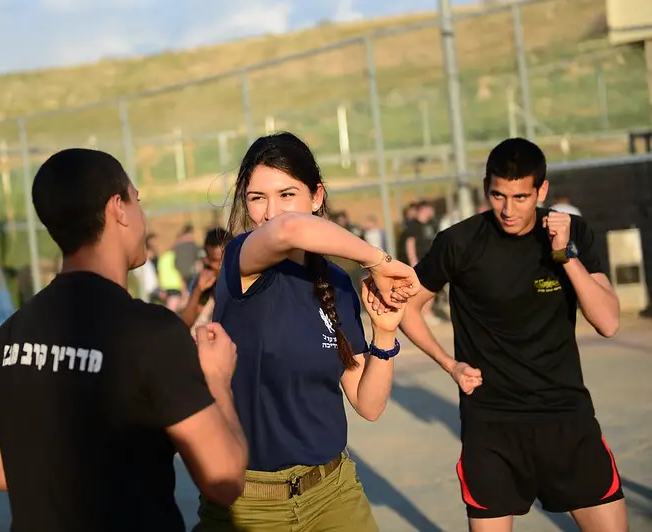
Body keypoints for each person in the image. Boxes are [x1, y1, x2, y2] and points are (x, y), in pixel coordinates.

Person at [0, 148, 248, 532]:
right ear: (117, 208)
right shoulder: (151, 332)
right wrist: (218, 378)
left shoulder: (9, 336)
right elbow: (225, 478)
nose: (142, 214)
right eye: (137, 200)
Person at [399, 137, 626, 532]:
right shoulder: (459, 242)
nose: (508, 209)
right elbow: (407, 308)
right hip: (492, 427)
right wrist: (449, 364)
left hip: (565, 418)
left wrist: (564, 254)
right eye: (498, 195)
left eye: (521, 197)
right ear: (487, 187)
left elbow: (607, 322)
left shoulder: (572, 234)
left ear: (542, 191)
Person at [194, 132, 418, 531]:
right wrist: (378, 261)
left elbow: (368, 405)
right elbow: (288, 231)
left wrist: (385, 334)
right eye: (257, 197)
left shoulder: (337, 283)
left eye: (287, 194)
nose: (270, 212)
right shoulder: (240, 263)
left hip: (332, 493)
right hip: (249, 505)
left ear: (317, 196)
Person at [181, 227, 232, 331]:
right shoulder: (207, 282)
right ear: (207, 261)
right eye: (217, 261)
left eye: (227, 259)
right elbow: (185, 324)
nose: (223, 266)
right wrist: (198, 290)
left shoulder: (245, 273)